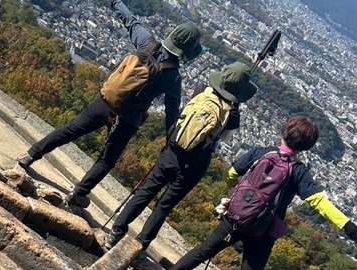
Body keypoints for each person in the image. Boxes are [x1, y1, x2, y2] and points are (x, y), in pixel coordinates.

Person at [167, 116, 357, 270]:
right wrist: (347, 225)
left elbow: (232, 172)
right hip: (263, 231)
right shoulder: (298, 172)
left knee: (204, 249)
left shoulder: (260, 153)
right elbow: (318, 202)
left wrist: (237, 195)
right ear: (307, 147)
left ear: (285, 131)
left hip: (236, 216)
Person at [11, 0, 202, 208]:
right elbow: (171, 114)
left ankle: (30, 155)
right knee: (107, 159)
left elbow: (130, 20)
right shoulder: (173, 77)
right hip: (128, 118)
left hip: (105, 101)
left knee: (70, 130)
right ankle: (78, 194)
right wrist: (170, 141)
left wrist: (115, 2)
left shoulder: (146, 42)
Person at [106, 62, 257, 251]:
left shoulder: (202, 90)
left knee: (146, 191)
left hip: (173, 149)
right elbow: (225, 138)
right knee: (164, 206)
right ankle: (140, 245)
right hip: (195, 163)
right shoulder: (233, 114)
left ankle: (116, 231)